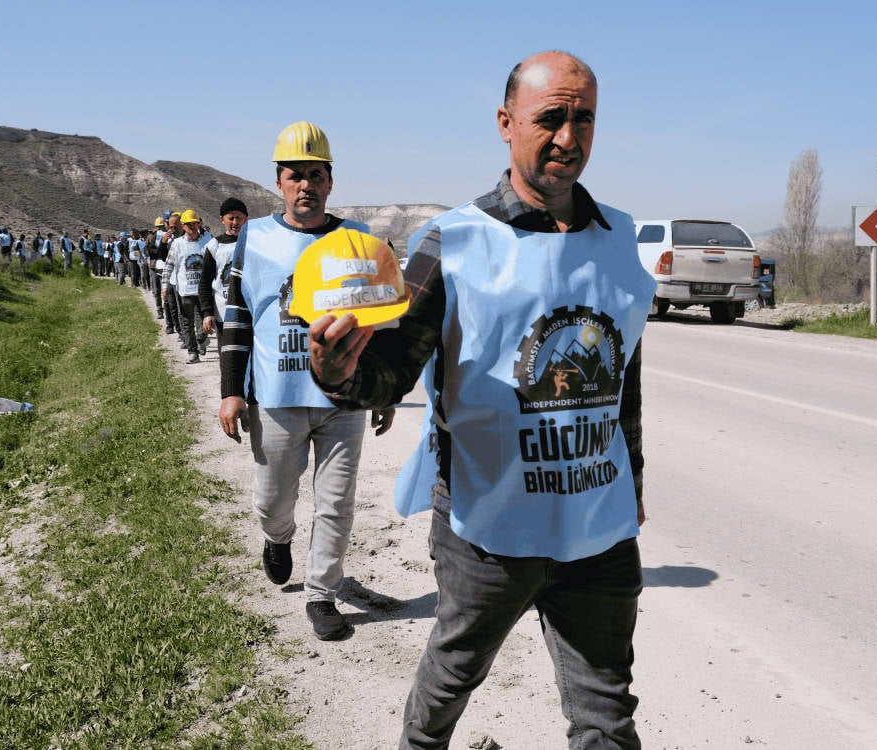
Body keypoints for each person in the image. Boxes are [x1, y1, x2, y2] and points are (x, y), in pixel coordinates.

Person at [307, 52, 655, 748]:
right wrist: (337, 371)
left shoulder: (618, 238)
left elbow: (623, 380)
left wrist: (634, 480)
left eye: (582, 118)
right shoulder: (455, 241)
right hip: (487, 527)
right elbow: (390, 374)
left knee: (607, 711)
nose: (567, 136)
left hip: (597, 524)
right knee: (454, 672)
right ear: (506, 123)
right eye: (549, 118)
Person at [218, 121, 395, 641]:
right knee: (273, 499)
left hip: (344, 398)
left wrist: (382, 387)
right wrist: (231, 389)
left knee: (337, 500)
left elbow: (377, 319)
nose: (306, 186)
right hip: (275, 395)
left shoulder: (356, 241)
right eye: (295, 176)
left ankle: (321, 592)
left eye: (316, 175)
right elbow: (238, 316)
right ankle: (278, 538)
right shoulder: (254, 238)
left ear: (330, 181)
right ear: (279, 181)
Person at [163, 210, 211, 362]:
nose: (192, 227)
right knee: (186, 322)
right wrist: (165, 286)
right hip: (184, 291)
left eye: (194, 223)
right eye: (188, 224)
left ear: (199, 224)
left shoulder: (208, 240)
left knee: (205, 320)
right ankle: (193, 352)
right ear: (183, 226)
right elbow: (168, 266)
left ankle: (201, 338)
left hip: (204, 290)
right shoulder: (177, 244)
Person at [199, 197, 248, 342]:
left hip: (250, 313)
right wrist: (207, 313)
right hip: (224, 314)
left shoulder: (254, 242)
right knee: (229, 361)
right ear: (222, 219)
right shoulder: (214, 245)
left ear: (245, 219)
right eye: (231, 218)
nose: (235, 222)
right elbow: (205, 282)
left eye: (239, 218)